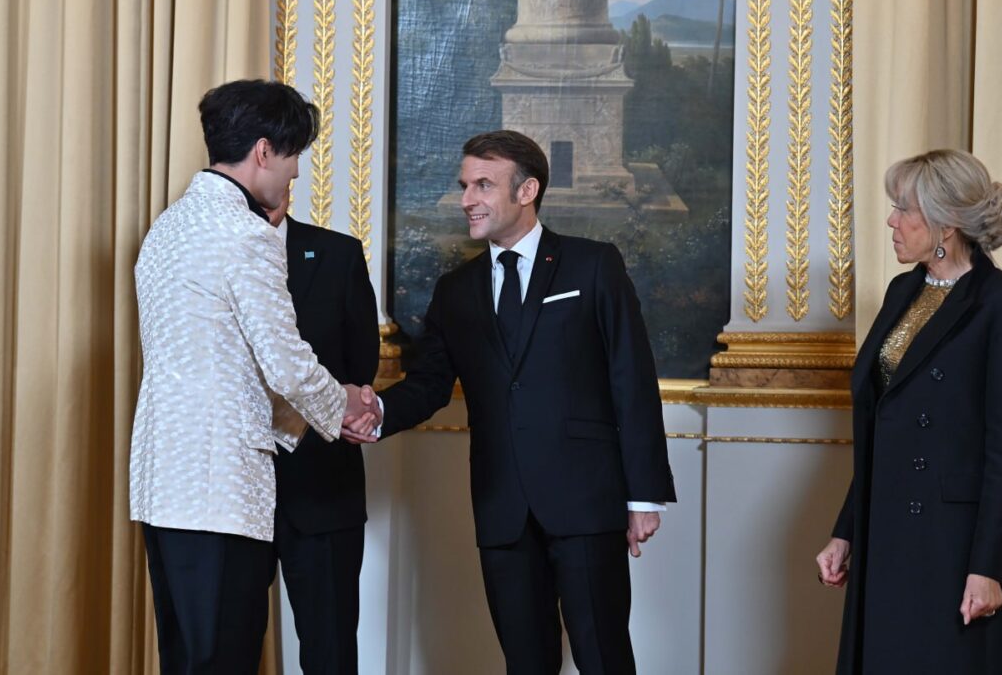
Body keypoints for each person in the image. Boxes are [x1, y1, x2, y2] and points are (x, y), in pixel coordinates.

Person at [361, 130, 677, 674]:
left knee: (604, 658)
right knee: (525, 663)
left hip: (586, 502)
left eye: (483, 185)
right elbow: (430, 385)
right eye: (464, 186)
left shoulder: (593, 266)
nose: (467, 199)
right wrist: (377, 412)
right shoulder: (455, 291)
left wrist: (643, 495)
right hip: (502, 507)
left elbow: (632, 378)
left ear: (527, 189)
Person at [130, 79, 379, 675]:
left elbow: (219, 361)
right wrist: (342, 401)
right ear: (264, 151)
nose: (295, 173)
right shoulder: (246, 234)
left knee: (188, 659)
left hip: (164, 483)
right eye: (293, 157)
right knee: (226, 658)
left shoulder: (166, 229)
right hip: (223, 488)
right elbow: (285, 360)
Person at [815, 149, 1002, 674]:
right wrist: (846, 530)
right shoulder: (903, 289)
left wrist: (986, 566)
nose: (891, 220)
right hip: (886, 526)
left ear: (946, 223)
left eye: (904, 208)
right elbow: (882, 429)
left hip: (951, 545)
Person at [264, 191, 379, 674]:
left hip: (324, 489)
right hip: (230, 493)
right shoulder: (212, 252)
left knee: (330, 652)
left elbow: (359, 370)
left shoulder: (337, 252)